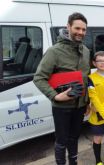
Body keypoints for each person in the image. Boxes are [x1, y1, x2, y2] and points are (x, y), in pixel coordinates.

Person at [33, 12, 90, 165]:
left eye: (84, 30)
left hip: (80, 106)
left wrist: (88, 101)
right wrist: (55, 96)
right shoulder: (54, 51)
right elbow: (39, 78)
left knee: (74, 137)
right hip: (62, 106)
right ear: (68, 27)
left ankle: (73, 162)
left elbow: (86, 78)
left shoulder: (85, 51)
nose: (80, 32)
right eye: (77, 28)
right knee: (62, 140)